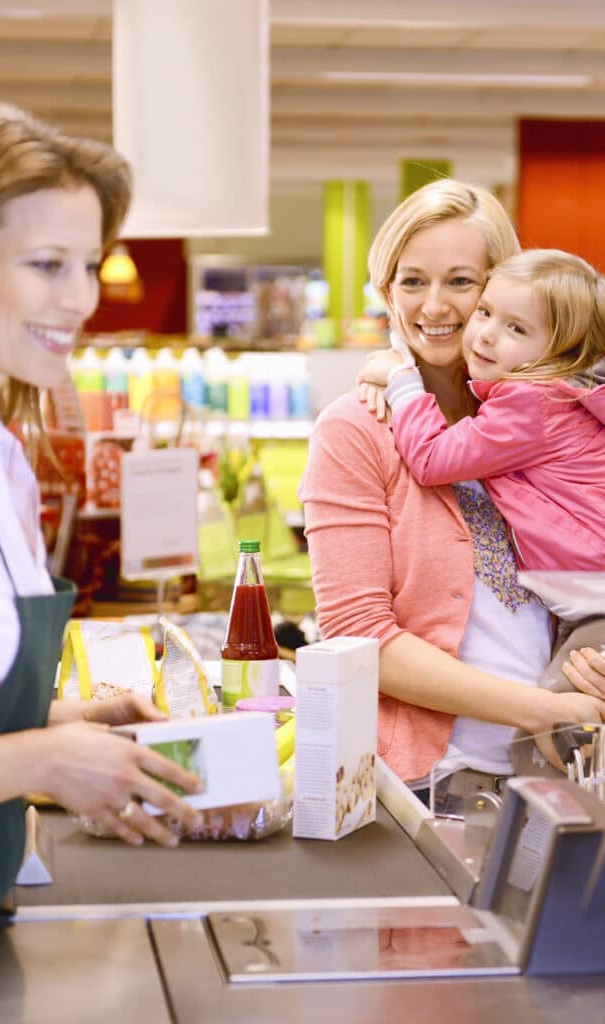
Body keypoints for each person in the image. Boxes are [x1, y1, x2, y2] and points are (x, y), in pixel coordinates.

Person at [0, 101, 203, 1019]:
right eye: (46, 265)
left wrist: (71, 718)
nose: (81, 298)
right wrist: (43, 758)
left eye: (87, 265)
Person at [299, 179, 605, 807]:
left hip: (557, 787)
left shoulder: (548, 422)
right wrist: (544, 708)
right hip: (431, 786)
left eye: (462, 283)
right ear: (387, 292)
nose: (434, 305)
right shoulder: (356, 430)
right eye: (412, 281)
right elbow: (360, 637)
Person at [360, 247, 605, 584]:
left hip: (591, 587)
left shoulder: (532, 403)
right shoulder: (550, 397)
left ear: (563, 352)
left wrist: (401, 382)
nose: (488, 333)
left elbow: (432, 459)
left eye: (517, 329)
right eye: (485, 311)